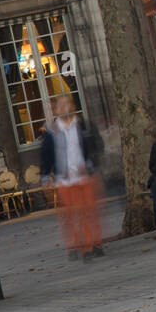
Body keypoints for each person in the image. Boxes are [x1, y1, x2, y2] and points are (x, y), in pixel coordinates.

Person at [39, 95, 106, 260]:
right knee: (73, 213)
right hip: (66, 178)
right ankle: (81, 247)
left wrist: (91, 165)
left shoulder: (82, 125)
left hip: (84, 175)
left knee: (89, 211)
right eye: (61, 106)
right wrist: (46, 176)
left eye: (68, 104)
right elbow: (46, 155)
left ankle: (93, 243)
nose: (65, 108)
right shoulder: (52, 131)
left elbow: (94, 146)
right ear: (56, 110)